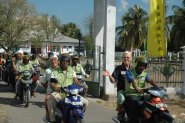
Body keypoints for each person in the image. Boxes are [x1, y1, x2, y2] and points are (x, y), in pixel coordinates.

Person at [47, 55, 88, 123]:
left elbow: (76, 81)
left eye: (67, 61)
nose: (65, 62)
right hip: (60, 93)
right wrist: (57, 88)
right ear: (60, 62)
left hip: (71, 94)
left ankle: (78, 115)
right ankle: (52, 119)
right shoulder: (54, 72)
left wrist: (83, 85)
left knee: (86, 102)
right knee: (51, 99)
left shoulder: (72, 71)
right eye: (63, 61)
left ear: (69, 63)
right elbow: (52, 84)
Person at [124, 55, 158, 123]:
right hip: (131, 93)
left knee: (152, 100)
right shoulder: (129, 72)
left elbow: (150, 80)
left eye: (144, 66)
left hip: (142, 94)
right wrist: (136, 88)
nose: (142, 67)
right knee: (133, 102)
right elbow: (132, 80)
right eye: (141, 65)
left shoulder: (145, 74)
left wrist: (158, 87)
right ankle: (131, 120)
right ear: (136, 64)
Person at [102, 51, 132, 121]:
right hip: (122, 91)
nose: (126, 59)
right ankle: (120, 112)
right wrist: (109, 75)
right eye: (124, 57)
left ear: (130, 58)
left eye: (128, 57)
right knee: (121, 99)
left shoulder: (133, 68)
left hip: (131, 91)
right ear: (122, 58)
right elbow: (113, 81)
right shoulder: (118, 68)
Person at [41, 54, 59, 122]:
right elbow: (43, 82)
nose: (53, 61)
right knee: (46, 99)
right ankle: (48, 116)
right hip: (50, 92)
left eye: (55, 60)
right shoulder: (47, 70)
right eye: (51, 60)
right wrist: (48, 88)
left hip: (61, 91)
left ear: (57, 61)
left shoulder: (61, 69)